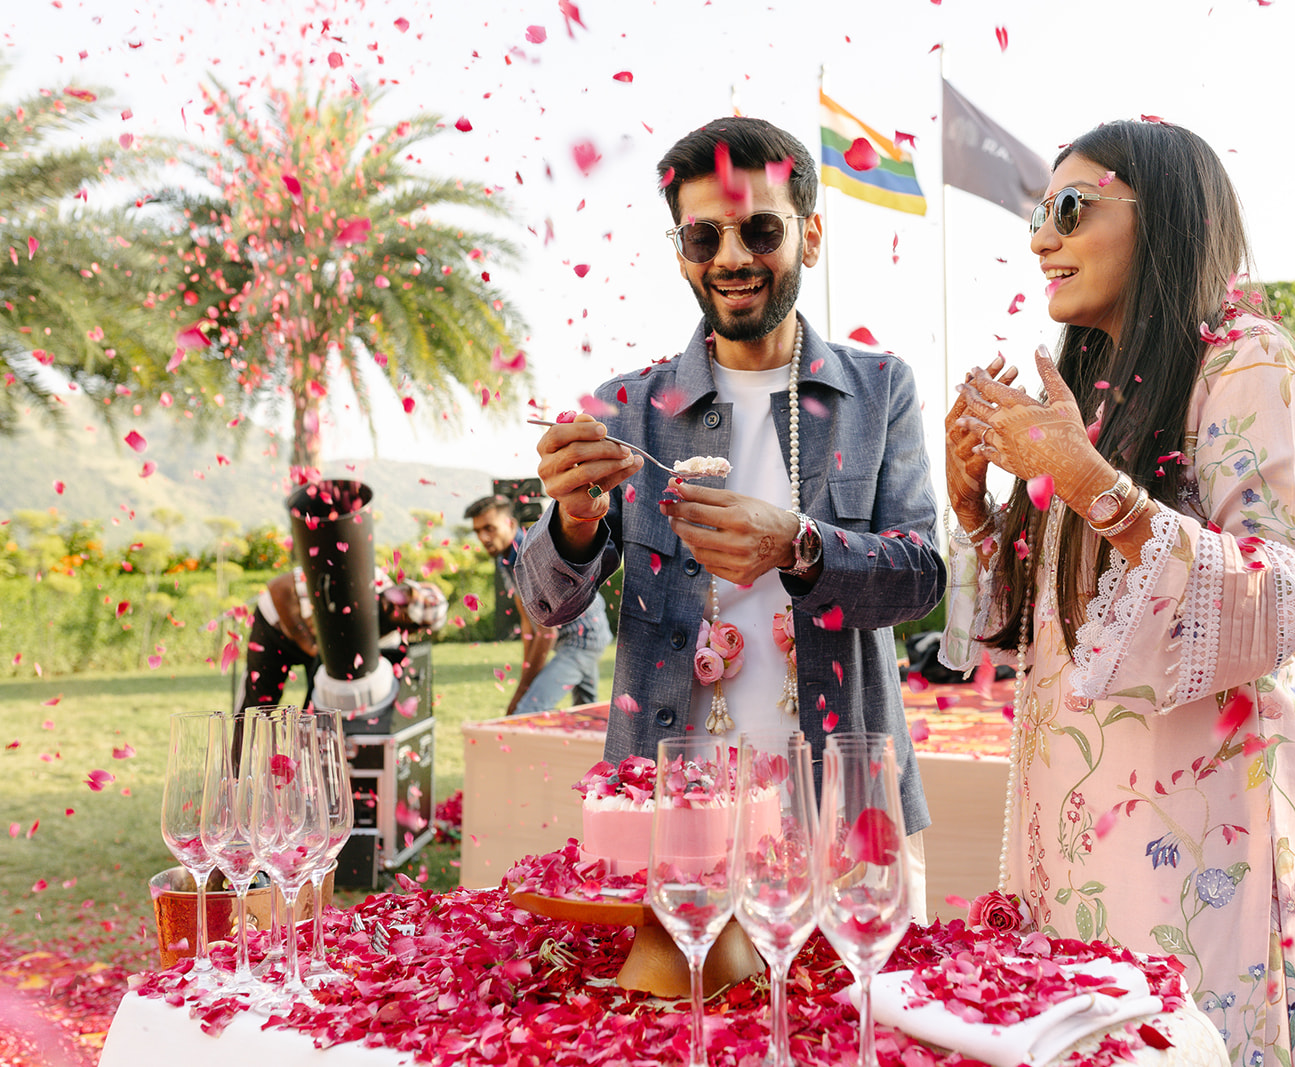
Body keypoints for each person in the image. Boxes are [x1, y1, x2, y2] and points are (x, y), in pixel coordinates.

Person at [941, 120, 1295, 1064]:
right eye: (1040, 215)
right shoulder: (1098, 390)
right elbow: (1048, 627)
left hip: (1201, 839)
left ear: (1162, 215)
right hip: (1079, 825)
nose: (1042, 239)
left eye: (1069, 208)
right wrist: (974, 507)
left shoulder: (1253, 366)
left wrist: (1090, 482)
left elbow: (1286, 598)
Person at [515, 116, 946, 918]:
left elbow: (920, 577)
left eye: (761, 230)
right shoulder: (627, 407)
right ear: (682, 251)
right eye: (703, 236)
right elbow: (545, 604)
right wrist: (573, 521)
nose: (732, 257)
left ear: (810, 236)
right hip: (668, 833)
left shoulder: (880, 388)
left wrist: (797, 543)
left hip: (845, 826)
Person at [465, 493, 612, 715]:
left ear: (510, 524)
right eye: (477, 531)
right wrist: (525, 680)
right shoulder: (506, 559)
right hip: (572, 636)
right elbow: (528, 623)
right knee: (587, 715)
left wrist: (522, 691)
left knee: (526, 711)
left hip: (583, 637)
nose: (483, 537)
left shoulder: (531, 553)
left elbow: (546, 633)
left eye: (490, 528)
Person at [238, 566, 446, 713]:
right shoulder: (364, 575)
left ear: (411, 629)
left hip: (323, 649)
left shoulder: (388, 645)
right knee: (255, 709)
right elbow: (279, 586)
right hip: (276, 624)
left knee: (318, 711)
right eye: (405, 593)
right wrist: (307, 642)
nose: (396, 603)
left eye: (406, 610)